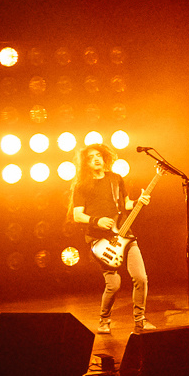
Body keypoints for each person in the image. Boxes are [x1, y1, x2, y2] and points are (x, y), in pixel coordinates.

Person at [70, 142, 152, 335]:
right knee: (113, 285)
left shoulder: (116, 179)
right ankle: (104, 319)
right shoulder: (81, 186)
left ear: (105, 157)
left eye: (98, 155)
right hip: (100, 240)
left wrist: (139, 202)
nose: (96, 159)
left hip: (125, 234)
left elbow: (125, 204)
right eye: (90, 157)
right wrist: (97, 221)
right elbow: (77, 215)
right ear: (85, 163)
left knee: (141, 278)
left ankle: (140, 321)